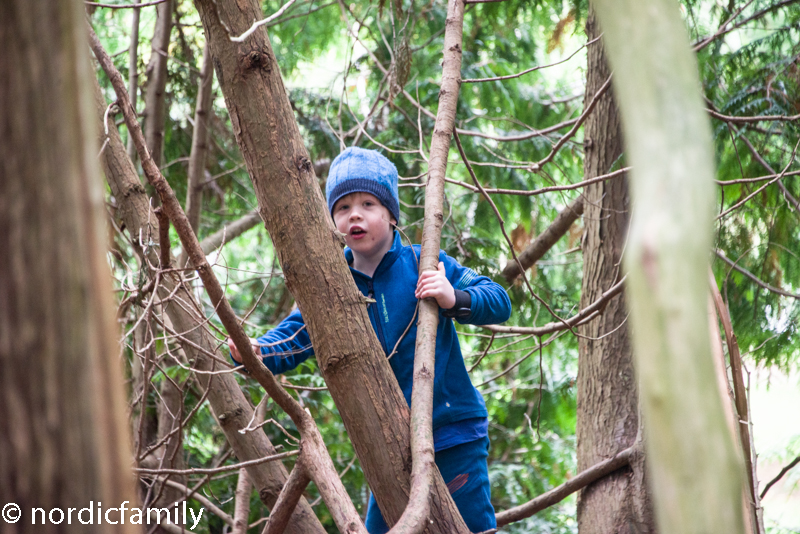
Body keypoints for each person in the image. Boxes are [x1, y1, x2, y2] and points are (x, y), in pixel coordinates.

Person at [229, 147, 511, 533]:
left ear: (392, 215)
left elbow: (499, 301)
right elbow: (294, 336)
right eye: (342, 207)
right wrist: (254, 352)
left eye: (368, 203)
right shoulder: (331, 285)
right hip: (388, 450)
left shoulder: (422, 262)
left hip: (452, 435)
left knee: (469, 527)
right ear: (331, 222)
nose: (354, 214)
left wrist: (451, 296)